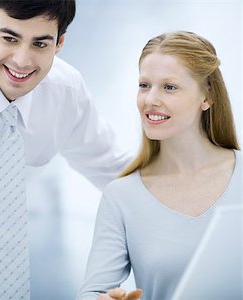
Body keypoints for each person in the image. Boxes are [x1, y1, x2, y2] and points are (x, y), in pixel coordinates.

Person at [0, 0, 131, 298]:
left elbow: (113, 168)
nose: (22, 60)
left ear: (59, 43)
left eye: (40, 44)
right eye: (10, 38)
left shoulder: (64, 92)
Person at [77, 31, 241, 300]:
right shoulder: (121, 196)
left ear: (207, 97)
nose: (150, 99)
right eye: (144, 85)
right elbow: (91, 292)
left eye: (169, 87)